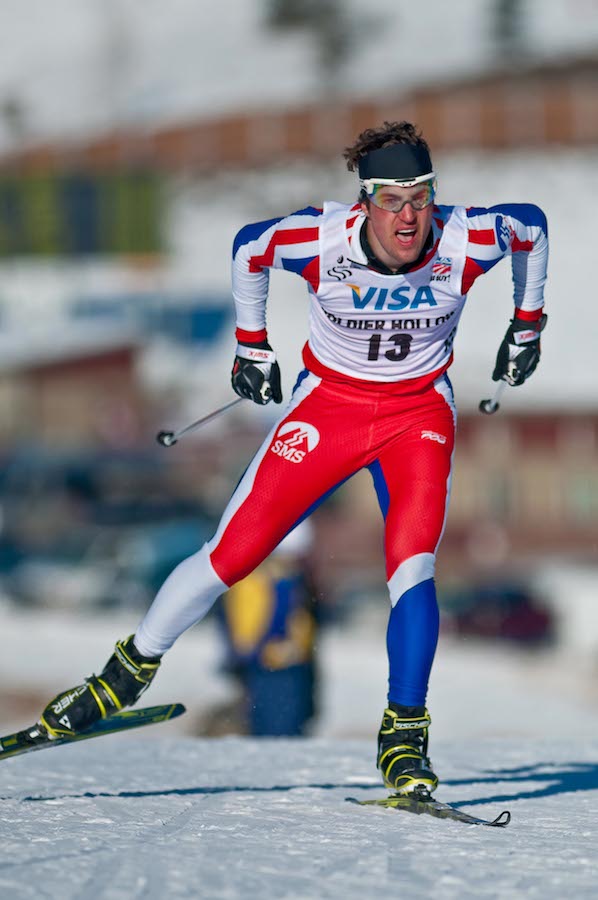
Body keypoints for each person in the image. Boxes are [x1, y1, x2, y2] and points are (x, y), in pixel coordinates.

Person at [36, 121, 548, 797]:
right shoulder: (320, 237)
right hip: (328, 410)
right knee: (232, 555)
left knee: (413, 567)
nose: (410, 217)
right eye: (393, 200)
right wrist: (251, 345)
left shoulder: (466, 236)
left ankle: (403, 737)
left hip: (415, 415)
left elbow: (533, 228)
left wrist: (527, 322)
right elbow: (249, 248)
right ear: (365, 201)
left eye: (422, 197)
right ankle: (121, 678)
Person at [204, 520, 318, 737]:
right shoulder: (256, 583)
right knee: (273, 732)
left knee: (288, 727)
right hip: (268, 671)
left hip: (286, 670)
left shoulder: (290, 583)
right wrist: (268, 651)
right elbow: (248, 635)